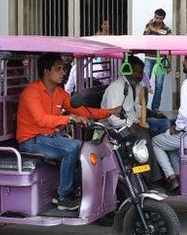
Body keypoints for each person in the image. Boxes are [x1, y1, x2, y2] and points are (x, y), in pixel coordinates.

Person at [17, 54, 112, 210]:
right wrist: (69, 119)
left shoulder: (60, 93)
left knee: (86, 150)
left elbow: (81, 110)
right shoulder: (32, 92)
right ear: (46, 71)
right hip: (31, 140)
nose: (63, 72)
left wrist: (108, 112)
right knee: (72, 148)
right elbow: (41, 120)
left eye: (64, 69)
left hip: (49, 137)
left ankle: (70, 188)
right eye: (58, 69)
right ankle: (63, 197)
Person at [152, 55, 187, 192]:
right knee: (170, 143)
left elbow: (185, 113)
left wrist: (176, 128)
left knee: (155, 142)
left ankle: (171, 177)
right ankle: (179, 177)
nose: (183, 62)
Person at [102, 56, 170, 136]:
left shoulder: (137, 86)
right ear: (127, 70)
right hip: (121, 129)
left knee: (168, 122)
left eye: (140, 72)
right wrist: (135, 126)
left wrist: (153, 114)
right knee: (164, 125)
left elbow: (136, 108)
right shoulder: (117, 87)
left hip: (136, 122)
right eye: (135, 71)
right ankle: (152, 143)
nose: (138, 75)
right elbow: (113, 119)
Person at [143, 8, 172, 118]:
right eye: (156, 17)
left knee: (159, 85)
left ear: (163, 18)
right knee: (145, 82)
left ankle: (155, 108)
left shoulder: (167, 30)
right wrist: (149, 29)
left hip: (161, 59)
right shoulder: (148, 25)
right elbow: (144, 38)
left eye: (160, 18)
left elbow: (169, 46)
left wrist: (168, 64)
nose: (158, 20)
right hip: (149, 57)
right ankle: (143, 106)